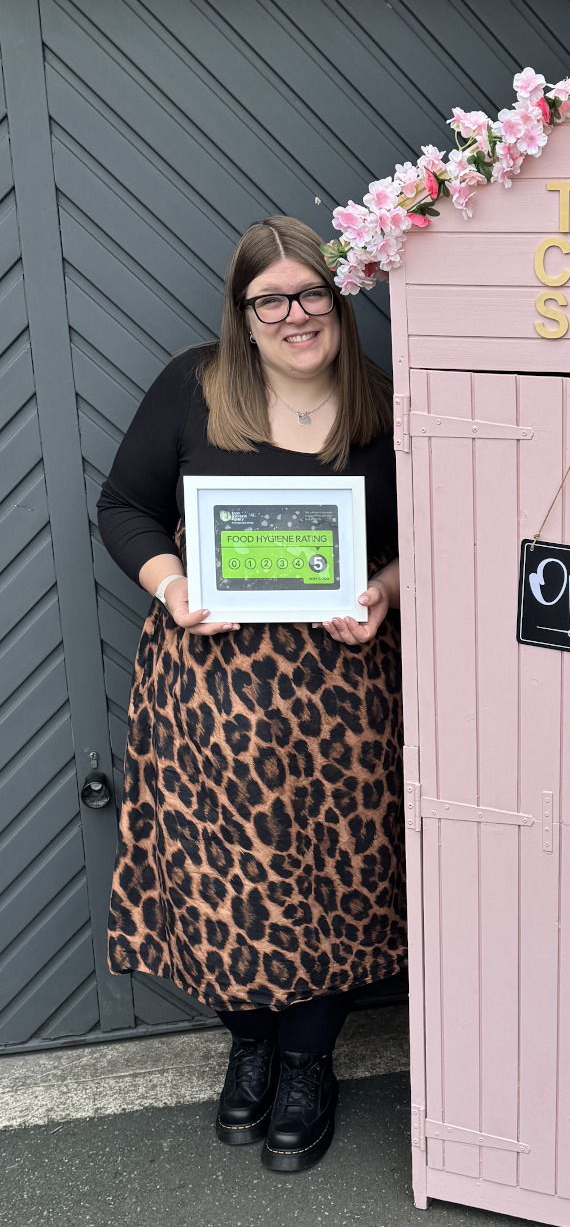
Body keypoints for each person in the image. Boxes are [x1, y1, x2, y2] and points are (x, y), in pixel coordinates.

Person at [98, 216, 407, 1173]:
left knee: (327, 875)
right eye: (269, 299)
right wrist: (175, 587)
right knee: (219, 871)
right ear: (242, 312)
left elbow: (427, 533)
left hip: (338, 692)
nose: (294, 314)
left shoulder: (382, 403)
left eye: (310, 292)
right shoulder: (196, 386)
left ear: (339, 296)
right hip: (207, 688)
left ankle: (309, 1063)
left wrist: (387, 592)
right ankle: (251, 1043)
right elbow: (124, 507)